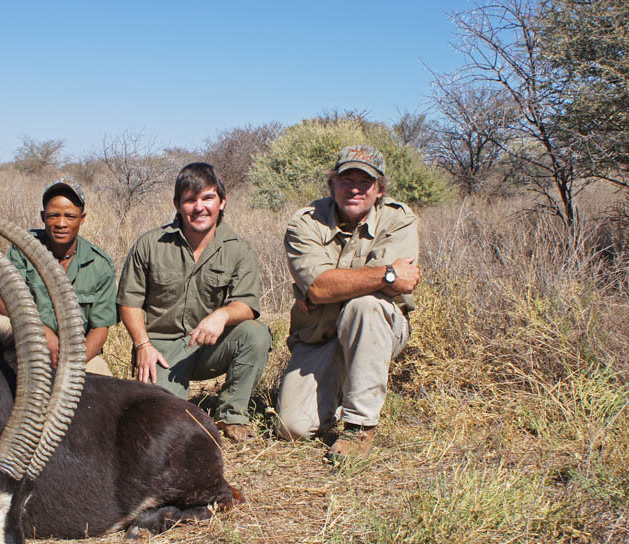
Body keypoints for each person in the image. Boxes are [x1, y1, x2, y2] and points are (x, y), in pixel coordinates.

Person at [275, 145, 421, 462]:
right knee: (292, 428)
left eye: (364, 182)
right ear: (333, 185)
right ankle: (346, 388)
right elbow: (319, 287)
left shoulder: (398, 220)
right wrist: (387, 274)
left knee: (365, 306)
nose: (354, 189)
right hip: (320, 336)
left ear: (379, 189)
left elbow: (387, 289)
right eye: (345, 180)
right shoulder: (305, 222)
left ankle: (359, 427)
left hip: (375, 328)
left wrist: (333, 288)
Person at [117, 162, 271, 442]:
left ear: (222, 202)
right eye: (190, 200)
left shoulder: (238, 248)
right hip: (159, 352)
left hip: (206, 346)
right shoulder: (150, 244)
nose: (199, 207)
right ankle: (184, 404)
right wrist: (143, 345)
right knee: (165, 424)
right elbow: (129, 302)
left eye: (208, 198)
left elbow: (247, 305)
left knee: (255, 334)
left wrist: (222, 315)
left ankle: (232, 414)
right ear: (177, 204)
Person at [0, 178, 117, 375]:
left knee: (102, 374)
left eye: (70, 216)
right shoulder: (23, 248)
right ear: (43, 217)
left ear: (82, 218)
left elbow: (100, 329)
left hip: (72, 354)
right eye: (53, 216)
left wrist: (74, 361)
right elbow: (5, 304)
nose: (61, 224)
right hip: (27, 340)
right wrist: (43, 333)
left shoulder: (100, 264)